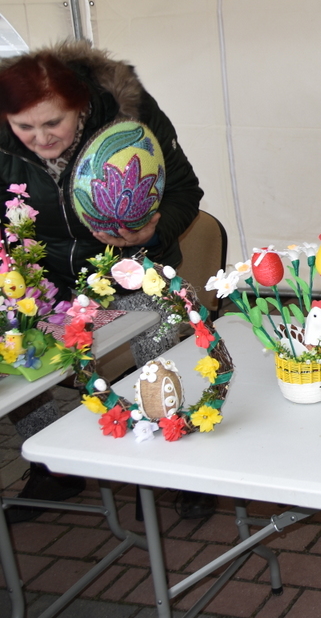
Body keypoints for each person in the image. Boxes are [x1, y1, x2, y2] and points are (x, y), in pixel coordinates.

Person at [0, 40, 207, 519]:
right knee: (14, 353)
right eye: (23, 126)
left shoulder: (127, 118)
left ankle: (174, 457)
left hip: (132, 265)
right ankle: (53, 465)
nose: (40, 138)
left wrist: (155, 230)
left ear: (81, 106)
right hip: (39, 277)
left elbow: (184, 189)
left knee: (156, 342)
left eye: (53, 123)